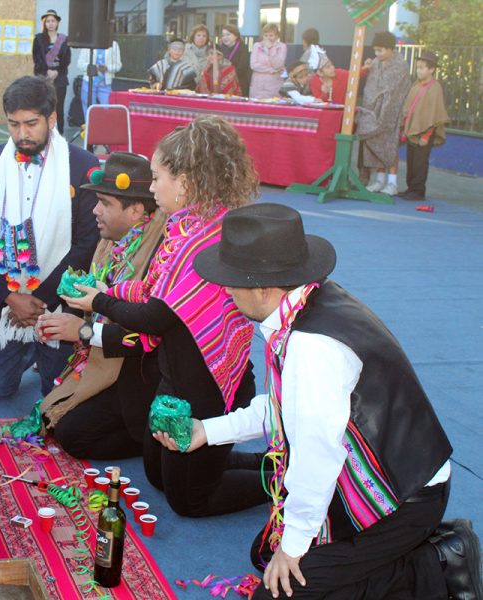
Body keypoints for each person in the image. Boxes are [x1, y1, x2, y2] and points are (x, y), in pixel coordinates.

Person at [185, 202, 482, 600]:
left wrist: (293, 547)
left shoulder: (311, 345)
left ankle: (438, 561)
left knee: (278, 591)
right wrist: (208, 430)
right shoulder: (307, 302)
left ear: (262, 288)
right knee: (266, 554)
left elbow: (318, 451)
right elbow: (286, 408)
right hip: (371, 473)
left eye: (231, 279)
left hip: (404, 498)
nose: (225, 289)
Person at [63, 116, 265, 517]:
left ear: (186, 182)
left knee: (191, 500)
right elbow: (157, 292)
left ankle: (285, 478)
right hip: (178, 376)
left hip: (206, 384)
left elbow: (156, 316)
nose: (152, 188)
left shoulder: (201, 238)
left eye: (156, 178)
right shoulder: (188, 225)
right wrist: (108, 291)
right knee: (158, 474)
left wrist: (98, 304)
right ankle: (235, 461)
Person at [0, 75, 100, 400]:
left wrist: (39, 299)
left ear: (51, 119)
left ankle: (44, 354)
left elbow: (86, 243)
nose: (21, 134)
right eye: (14, 125)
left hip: (60, 300)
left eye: (31, 124)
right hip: (7, 302)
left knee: (55, 395)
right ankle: (28, 352)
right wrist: (11, 297)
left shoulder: (82, 165)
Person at [37, 152, 166, 459]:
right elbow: (93, 301)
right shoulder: (112, 241)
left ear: (136, 210)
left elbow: (144, 336)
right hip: (105, 352)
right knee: (51, 406)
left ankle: (150, 438)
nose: (95, 210)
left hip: (141, 370)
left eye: (105, 204)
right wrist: (60, 323)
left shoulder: (159, 251)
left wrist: (81, 330)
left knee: (72, 434)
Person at [357, 31, 411, 196]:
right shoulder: (375, 63)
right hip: (373, 112)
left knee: (390, 146)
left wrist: (383, 107)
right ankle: (379, 180)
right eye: (375, 50)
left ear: (390, 49)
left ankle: (392, 183)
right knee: (375, 145)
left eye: (380, 50)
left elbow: (395, 91)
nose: (377, 53)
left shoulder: (400, 65)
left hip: (391, 113)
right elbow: (370, 87)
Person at [399, 51, 448, 202]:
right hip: (413, 130)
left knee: (420, 162)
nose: (418, 70)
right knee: (412, 160)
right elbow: (411, 107)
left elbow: (434, 114)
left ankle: (418, 191)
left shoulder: (434, 88)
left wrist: (426, 135)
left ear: (432, 69)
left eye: (422, 68)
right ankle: (410, 188)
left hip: (424, 132)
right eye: (418, 67)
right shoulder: (417, 85)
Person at [32, 9, 70, 135]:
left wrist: (57, 71)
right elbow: (36, 58)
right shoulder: (38, 39)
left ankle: (60, 136)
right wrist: (46, 71)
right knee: (43, 107)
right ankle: (43, 133)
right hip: (43, 77)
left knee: (59, 108)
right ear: (44, 23)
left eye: (53, 21)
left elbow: (67, 60)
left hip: (60, 79)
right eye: (48, 21)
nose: (50, 23)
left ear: (57, 22)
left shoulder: (64, 40)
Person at [77, 39, 121, 113]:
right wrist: (94, 67)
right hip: (89, 83)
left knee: (108, 110)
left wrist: (107, 68)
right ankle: (89, 124)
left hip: (105, 83)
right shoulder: (88, 42)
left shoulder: (113, 44)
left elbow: (118, 65)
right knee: (89, 111)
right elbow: (80, 64)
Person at [250, 23, 287, 99]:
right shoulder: (257, 46)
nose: (268, 38)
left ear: (277, 36)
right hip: (258, 85)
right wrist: (272, 70)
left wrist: (270, 48)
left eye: (271, 35)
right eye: (265, 35)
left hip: (274, 85)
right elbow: (254, 65)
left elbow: (278, 64)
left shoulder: (282, 47)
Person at [220, 23, 250, 97]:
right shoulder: (220, 48)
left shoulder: (243, 48)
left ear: (236, 35)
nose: (225, 37)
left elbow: (242, 67)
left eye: (228, 34)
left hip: (239, 83)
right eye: (223, 35)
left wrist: (229, 76)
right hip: (223, 83)